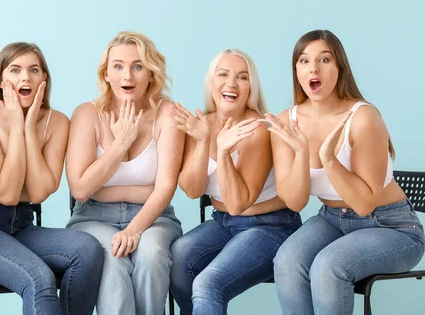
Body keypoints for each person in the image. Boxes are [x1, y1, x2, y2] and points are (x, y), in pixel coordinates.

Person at [268, 29, 425, 315]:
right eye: (304, 61)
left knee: (328, 267)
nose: (313, 68)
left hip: (391, 225)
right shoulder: (285, 122)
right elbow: (294, 201)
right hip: (331, 220)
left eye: (324, 60)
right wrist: (302, 153)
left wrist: (329, 159)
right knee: (286, 261)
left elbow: (364, 204)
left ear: (340, 68)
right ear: (296, 71)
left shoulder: (363, 117)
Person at [0, 42, 103, 315]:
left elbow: (38, 193)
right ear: (1, 80)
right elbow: (6, 193)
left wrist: (27, 129)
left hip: (20, 225)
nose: (25, 78)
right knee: (38, 278)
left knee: (87, 250)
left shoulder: (58, 122)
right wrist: (16, 124)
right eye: (15, 70)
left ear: (44, 80)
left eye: (33, 70)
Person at [169, 49, 301, 314]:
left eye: (242, 77)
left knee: (209, 283)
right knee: (178, 258)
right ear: (212, 82)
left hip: (271, 226)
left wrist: (223, 152)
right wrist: (205, 140)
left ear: (251, 87)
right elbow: (193, 190)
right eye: (223, 75)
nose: (231, 83)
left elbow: (239, 202)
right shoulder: (200, 126)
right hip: (224, 222)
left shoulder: (258, 129)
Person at [66, 31, 184, 315]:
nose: (127, 76)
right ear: (106, 74)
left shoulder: (168, 114)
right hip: (93, 216)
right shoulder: (87, 114)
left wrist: (134, 229)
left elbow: (166, 186)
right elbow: (81, 189)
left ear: (151, 74)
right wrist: (120, 145)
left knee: (152, 252)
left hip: (154, 217)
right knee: (111, 257)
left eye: (138, 66)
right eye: (118, 66)